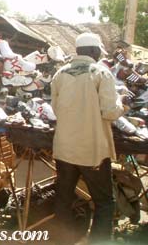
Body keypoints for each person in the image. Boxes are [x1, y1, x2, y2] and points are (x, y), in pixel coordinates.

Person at [51, 33, 124, 244]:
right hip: (92, 151)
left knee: (63, 198)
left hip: (64, 148)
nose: (101, 52)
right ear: (93, 51)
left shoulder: (60, 74)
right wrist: (123, 102)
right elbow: (110, 112)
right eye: (99, 49)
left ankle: (61, 239)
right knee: (104, 202)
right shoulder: (101, 73)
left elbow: (56, 109)